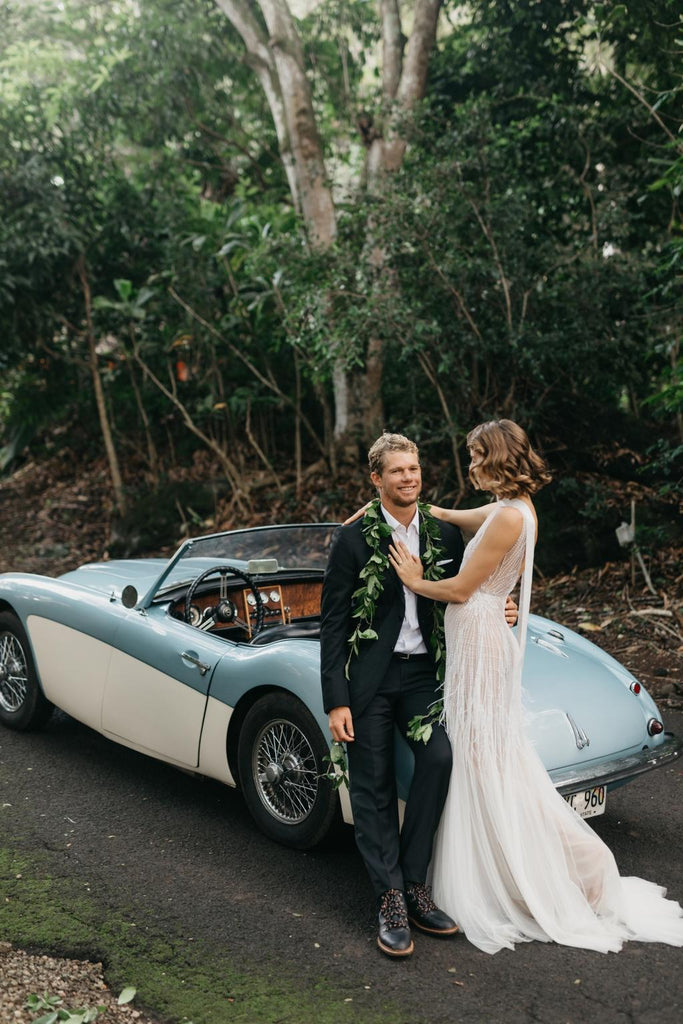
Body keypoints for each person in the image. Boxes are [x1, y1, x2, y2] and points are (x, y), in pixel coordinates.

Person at [388, 418, 683, 953]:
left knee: (486, 762)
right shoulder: (513, 507)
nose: (470, 464)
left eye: (477, 456)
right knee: (490, 759)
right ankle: (505, 863)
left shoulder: (507, 518)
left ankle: (572, 870)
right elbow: (463, 514)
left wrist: (412, 579)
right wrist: (413, 510)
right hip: (480, 637)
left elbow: (459, 588)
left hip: (479, 641)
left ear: (497, 457)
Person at [320, 432, 516, 957]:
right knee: (373, 784)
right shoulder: (354, 539)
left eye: (414, 468)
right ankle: (388, 899)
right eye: (398, 471)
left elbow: (465, 590)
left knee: (439, 758)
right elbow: (333, 626)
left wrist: (500, 608)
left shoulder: (442, 533)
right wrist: (336, 700)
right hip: (370, 682)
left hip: (424, 676)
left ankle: (415, 883)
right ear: (376, 479)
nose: (409, 477)